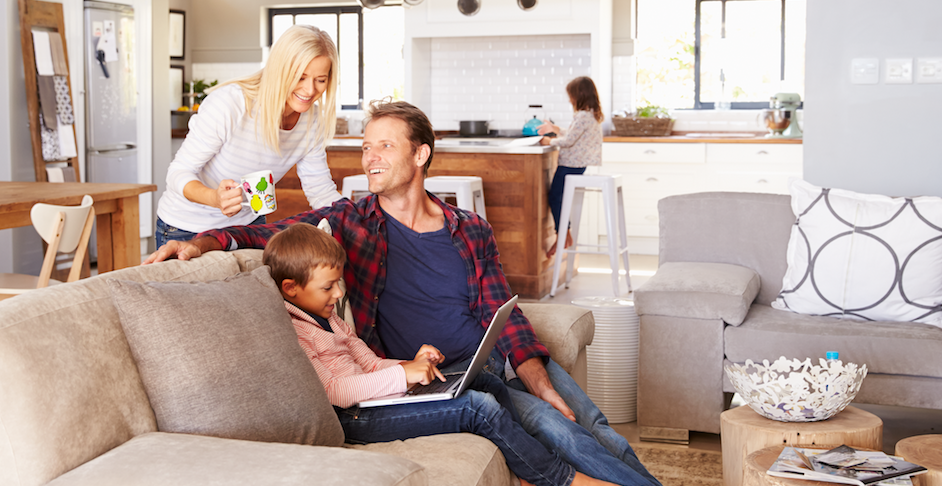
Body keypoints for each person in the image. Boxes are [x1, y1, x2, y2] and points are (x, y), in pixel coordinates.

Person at [144, 100, 661, 486]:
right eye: (366, 146)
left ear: (421, 154)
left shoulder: (469, 228)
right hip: (444, 375)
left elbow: (505, 314)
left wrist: (540, 381)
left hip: (495, 361)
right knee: (559, 429)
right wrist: (206, 240)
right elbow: (275, 235)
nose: (368, 157)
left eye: (383, 146)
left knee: (590, 418)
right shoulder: (351, 222)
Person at [263, 222, 614, 486]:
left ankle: (523, 472)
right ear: (290, 289)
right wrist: (403, 376)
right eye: (328, 287)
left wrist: (411, 365)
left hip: (376, 400)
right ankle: (560, 479)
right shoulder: (295, 331)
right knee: (478, 408)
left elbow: (368, 363)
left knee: (486, 381)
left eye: (340, 282)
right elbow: (335, 392)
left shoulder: (330, 318)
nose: (338, 293)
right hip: (354, 418)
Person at [154, 24, 344, 249]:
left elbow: (320, 189)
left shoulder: (312, 120)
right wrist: (214, 198)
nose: (310, 90)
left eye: (320, 80)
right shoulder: (231, 104)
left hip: (247, 228)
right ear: (280, 70)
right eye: (300, 77)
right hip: (187, 228)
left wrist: (354, 218)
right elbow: (178, 173)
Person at [537, 76, 605, 258]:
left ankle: (563, 235)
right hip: (577, 165)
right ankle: (564, 235)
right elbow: (574, 134)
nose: (569, 100)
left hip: (570, 164)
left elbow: (568, 141)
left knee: (555, 198)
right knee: (558, 198)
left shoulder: (582, 116)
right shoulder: (590, 114)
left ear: (579, 95)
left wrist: (549, 140)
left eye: (571, 96)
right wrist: (555, 128)